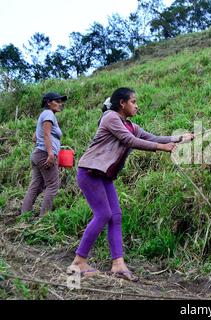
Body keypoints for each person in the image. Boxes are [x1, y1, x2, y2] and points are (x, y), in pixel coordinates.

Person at [68, 87, 194, 281]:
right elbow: (130, 141)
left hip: (104, 176)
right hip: (90, 172)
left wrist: (179, 138)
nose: (136, 105)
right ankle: (78, 262)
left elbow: (150, 137)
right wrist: (162, 148)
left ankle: (118, 264)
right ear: (122, 103)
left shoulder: (131, 125)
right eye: (133, 102)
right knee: (103, 214)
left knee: (115, 216)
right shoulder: (110, 117)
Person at [21, 92, 67, 217]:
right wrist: (51, 153)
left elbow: (35, 137)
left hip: (38, 154)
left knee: (36, 185)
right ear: (49, 102)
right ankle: (44, 218)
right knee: (53, 185)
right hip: (44, 154)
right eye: (57, 101)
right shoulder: (48, 114)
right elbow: (46, 135)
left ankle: (24, 215)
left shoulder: (44, 115)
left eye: (60, 101)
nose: (60, 104)